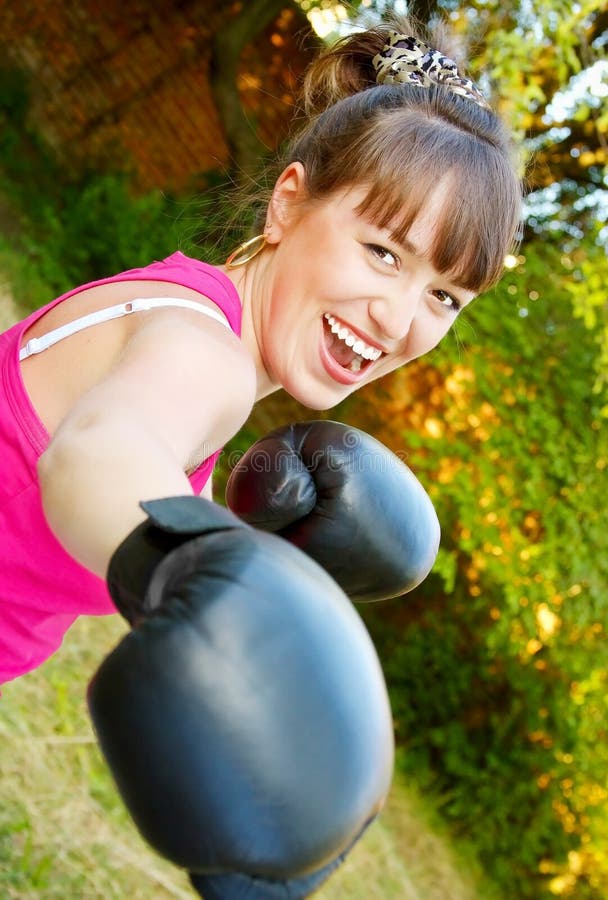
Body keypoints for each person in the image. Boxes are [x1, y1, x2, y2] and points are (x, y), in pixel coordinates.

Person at [0, 14, 522, 898]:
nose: (400, 320)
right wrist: (195, 561)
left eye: (444, 295)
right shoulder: (202, 355)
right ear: (288, 201)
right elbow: (100, 450)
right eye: (381, 251)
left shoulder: (199, 317)